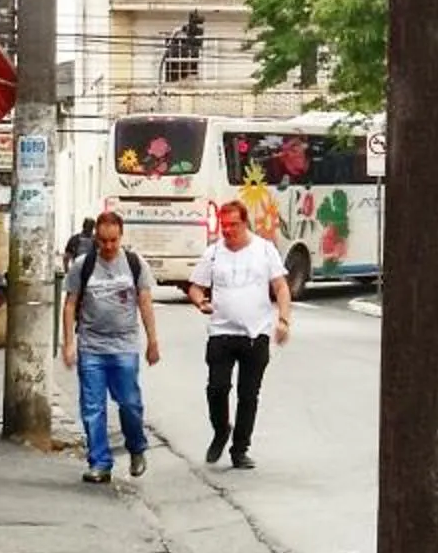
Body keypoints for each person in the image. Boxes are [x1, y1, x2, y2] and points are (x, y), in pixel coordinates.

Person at [185, 200, 292, 469]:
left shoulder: (264, 250)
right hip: (221, 332)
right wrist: (200, 302)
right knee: (216, 388)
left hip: (256, 334)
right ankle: (221, 429)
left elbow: (281, 287)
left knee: (248, 394)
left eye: (234, 224)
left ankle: (240, 449)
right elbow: (195, 287)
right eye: (224, 225)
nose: (228, 230)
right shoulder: (213, 253)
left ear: (245, 223)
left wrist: (283, 319)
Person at [61, 211, 161, 484]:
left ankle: (137, 447)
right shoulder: (83, 265)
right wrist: (69, 343)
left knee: (130, 403)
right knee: (92, 407)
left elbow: (145, 303)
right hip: (91, 347)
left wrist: (152, 341)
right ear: (96, 239)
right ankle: (100, 462)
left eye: (113, 241)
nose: (108, 247)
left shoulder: (134, 263)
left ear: (121, 237)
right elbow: (70, 305)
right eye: (103, 241)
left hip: (124, 346)